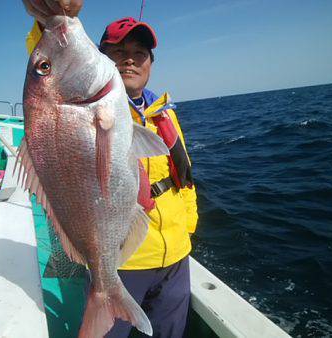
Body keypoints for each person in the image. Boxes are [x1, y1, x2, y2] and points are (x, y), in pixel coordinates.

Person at [23, 1, 198, 337]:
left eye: (139, 52)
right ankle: (102, 293)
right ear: (100, 57)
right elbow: (47, 56)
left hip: (176, 256)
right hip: (124, 260)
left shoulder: (165, 115)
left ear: (151, 63)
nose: (129, 59)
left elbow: (186, 179)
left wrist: (188, 227)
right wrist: (50, 18)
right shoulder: (94, 102)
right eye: (117, 52)